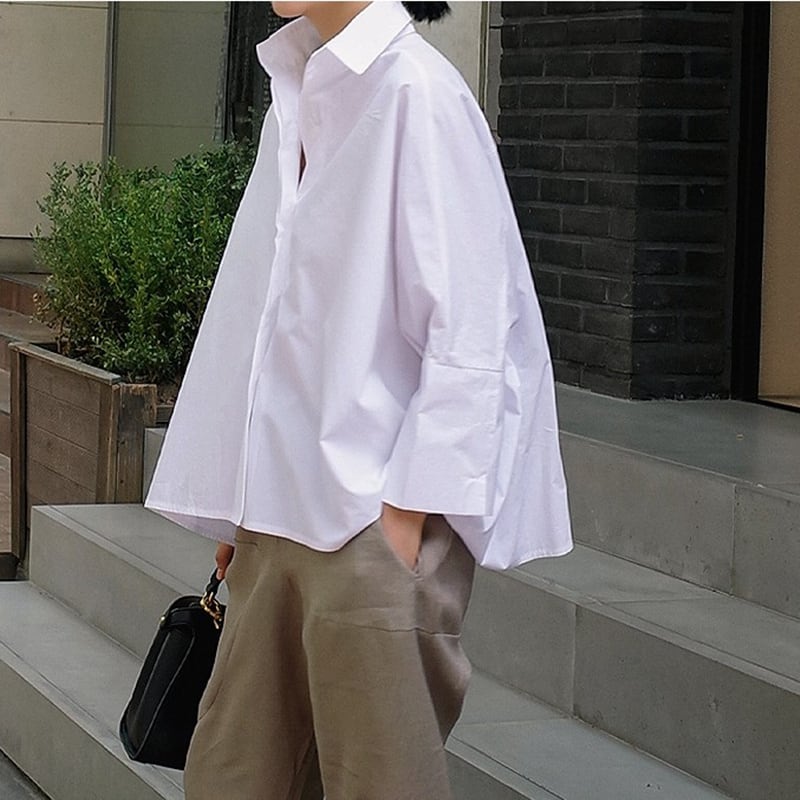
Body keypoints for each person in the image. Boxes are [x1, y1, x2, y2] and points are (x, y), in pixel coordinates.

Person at [144, 2, 572, 798]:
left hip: (368, 523)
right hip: (275, 517)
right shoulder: (300, 87)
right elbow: (268, 316)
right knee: (232, 777)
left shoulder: (418, 93)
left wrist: (403, 520)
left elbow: (473, 325)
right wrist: (240, 496)